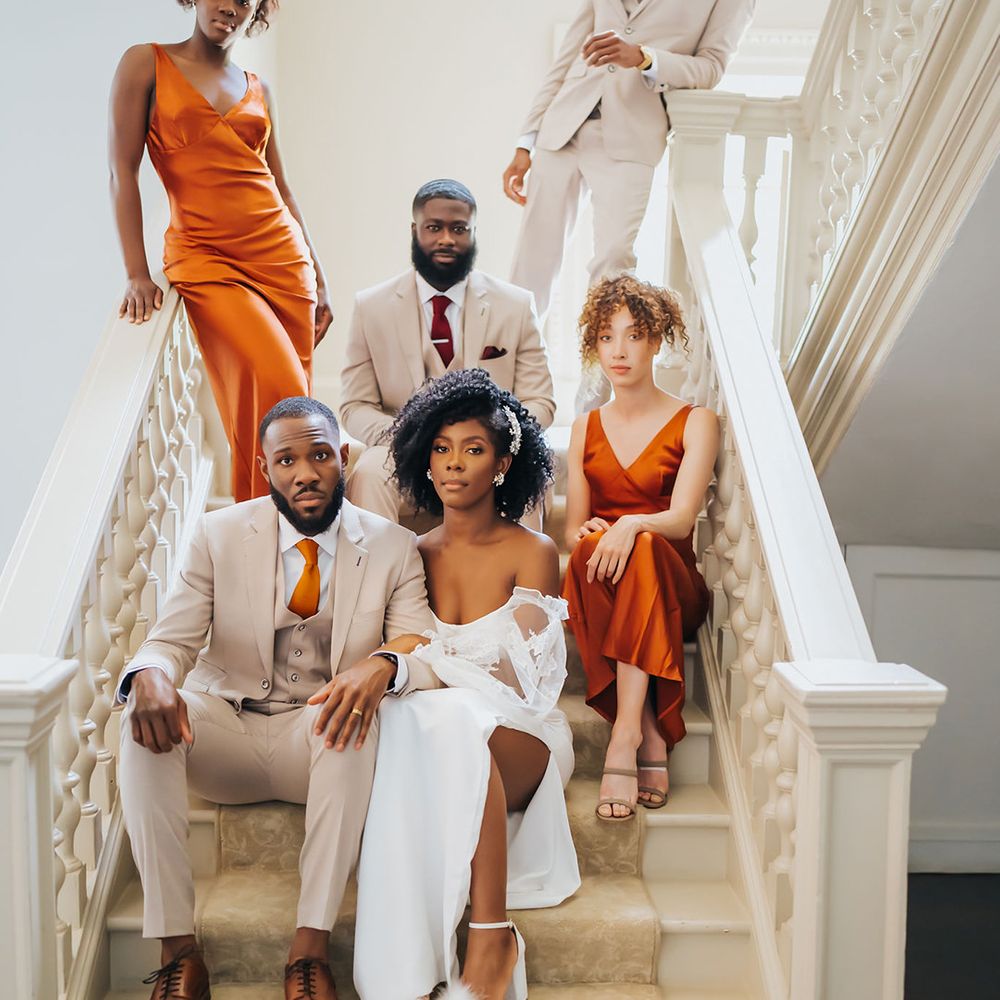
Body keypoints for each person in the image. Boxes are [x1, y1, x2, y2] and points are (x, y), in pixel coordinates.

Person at [115, 397, 439, 1000]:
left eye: (319, 455)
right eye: (286, 459)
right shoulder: (218, 534)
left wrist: (384, 663)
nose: (305, 473)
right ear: (266, 469)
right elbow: (171, 640)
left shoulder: (394, 546)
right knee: (137, 727)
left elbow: (421, 641)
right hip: (226, 730)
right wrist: (148, 674)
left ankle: (308, 954)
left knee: (355, 723)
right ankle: (177, 952)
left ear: (342, 458)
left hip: (315, 741)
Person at [352, 369, 580, 1000]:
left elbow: (527, 682)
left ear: (503, 464)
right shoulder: (408, 551)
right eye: (442, 449)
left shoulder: (532, 552)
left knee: (441, 719)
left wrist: (422, 669)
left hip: (521, 739)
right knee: (418, 721)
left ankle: (490, 937)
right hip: (440, 737)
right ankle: (407, 978)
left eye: (473, 450)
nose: (454, 465)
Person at [109, 1, 333, 503]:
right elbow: (122, 171)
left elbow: (282, 186)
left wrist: (318, 274)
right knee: (280, 389)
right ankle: (260, 540)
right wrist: (135, 272)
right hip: (205, 259)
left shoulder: (259, 87)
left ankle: (277, 547)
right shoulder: (146, 64)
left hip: (283, 261)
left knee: (277, 414)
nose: (231, 5)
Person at [503, 0, 755, 405]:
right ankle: (506, 394)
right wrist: (525, 142)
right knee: (531, 265)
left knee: (613, 265)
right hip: (561, 130)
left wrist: (644, 58)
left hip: (631, 138)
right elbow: (566, 58)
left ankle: (596, 405)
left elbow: (710, 67)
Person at [562, 276, 717, 821]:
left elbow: (678, 520)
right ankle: (645, 728)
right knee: (588, 553)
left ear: (657, 341)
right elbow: (573, 530)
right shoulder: (584, 427)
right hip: (609, 579)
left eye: (634, 335)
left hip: (674, 589)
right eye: (607, 337)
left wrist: (629, 526)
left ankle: (623, 734)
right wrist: (598, 535)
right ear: (594, 346)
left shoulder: (697, 421)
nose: (620, 351)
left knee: (645, 547)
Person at [341, 179, 555, 526]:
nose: (446, 239)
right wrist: (413, 436)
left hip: (484, 449)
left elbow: (540, 401)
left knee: (529, 468)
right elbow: (355, 406)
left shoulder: (515, 305)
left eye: (459, 229)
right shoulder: (372, 307)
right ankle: (376, 578)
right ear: (415, 231)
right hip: (403, 448)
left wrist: (490, 439)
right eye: (434, 227)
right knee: (367, 472)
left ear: (473, 232)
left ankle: (520, 578)